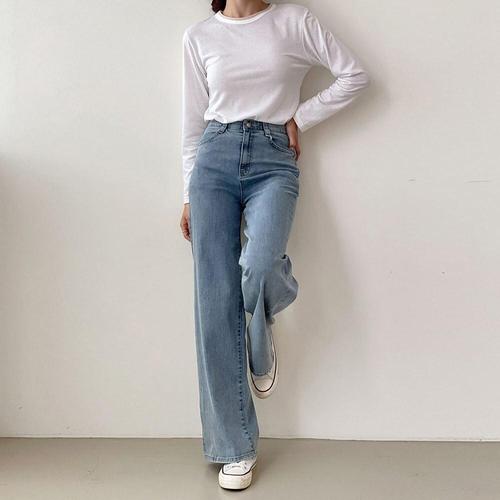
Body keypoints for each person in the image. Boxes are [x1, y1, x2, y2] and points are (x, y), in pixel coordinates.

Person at [179, 0, 370, 490]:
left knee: (261, 264)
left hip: (273, 158)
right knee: (214, 300)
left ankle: (259, 332)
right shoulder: (199, 37)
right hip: (213, 161)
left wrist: (300, 117)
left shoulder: (294, 21)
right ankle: (234, 447)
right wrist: (188, 194)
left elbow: (354, 75)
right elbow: (193, 126)